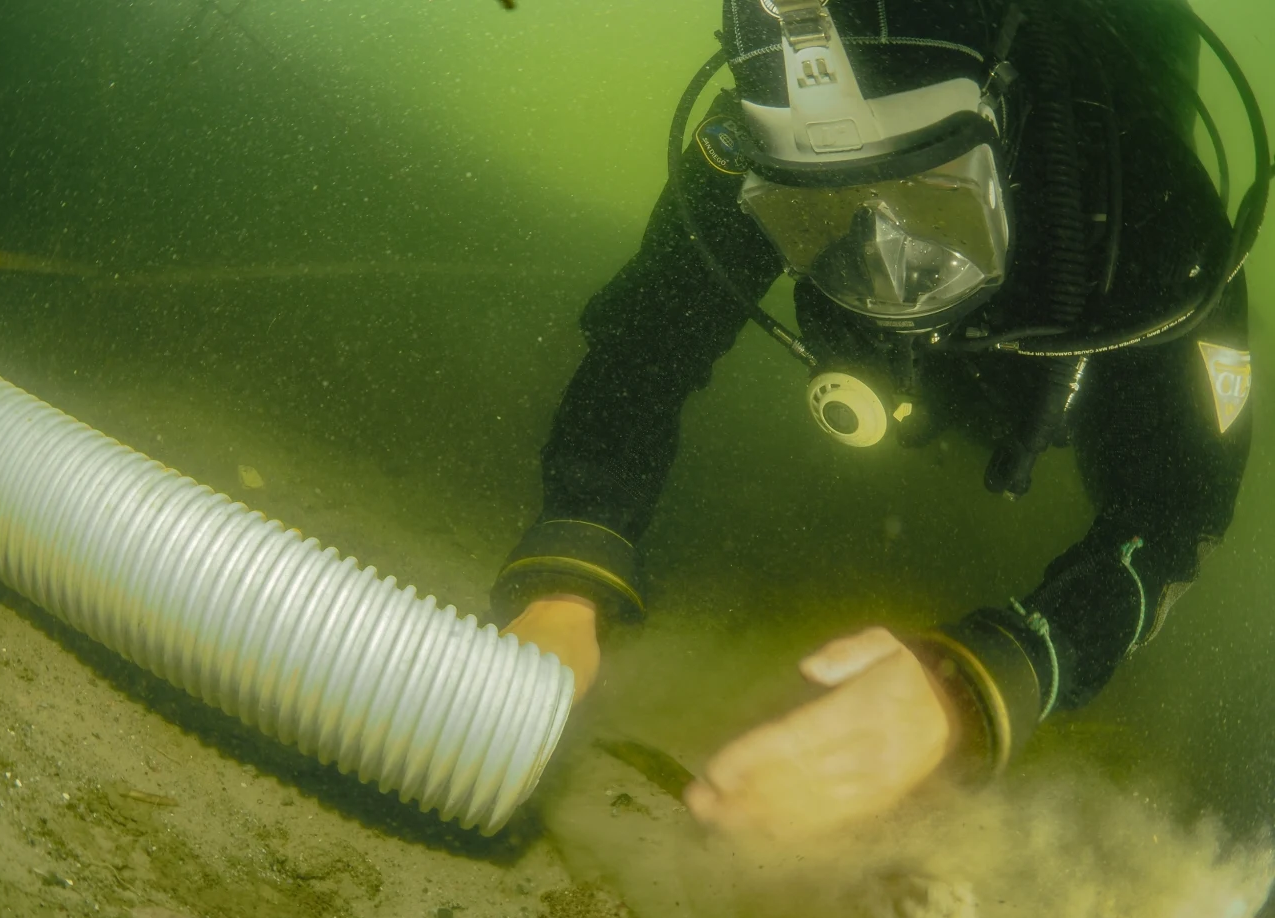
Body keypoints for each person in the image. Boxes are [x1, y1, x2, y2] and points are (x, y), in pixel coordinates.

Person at [493, 0, 1266, 847]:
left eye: (935, 205)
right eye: (816, 217)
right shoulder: (754, 143)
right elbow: (647, 346)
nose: (884, 278)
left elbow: (1174, 518)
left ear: (1005, 128)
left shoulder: (1158, 214)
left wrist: (982, 679)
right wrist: (571, 576)